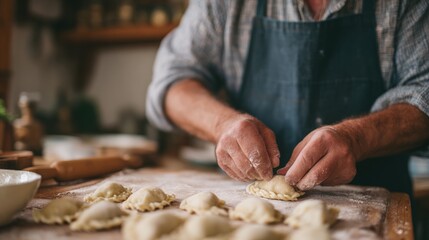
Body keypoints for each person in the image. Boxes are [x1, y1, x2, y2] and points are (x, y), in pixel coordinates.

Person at [146, 0, 429, 198]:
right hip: (251, 213)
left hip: (377, 205)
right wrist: (222, 124)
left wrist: (358, 138)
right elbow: (172, 83)